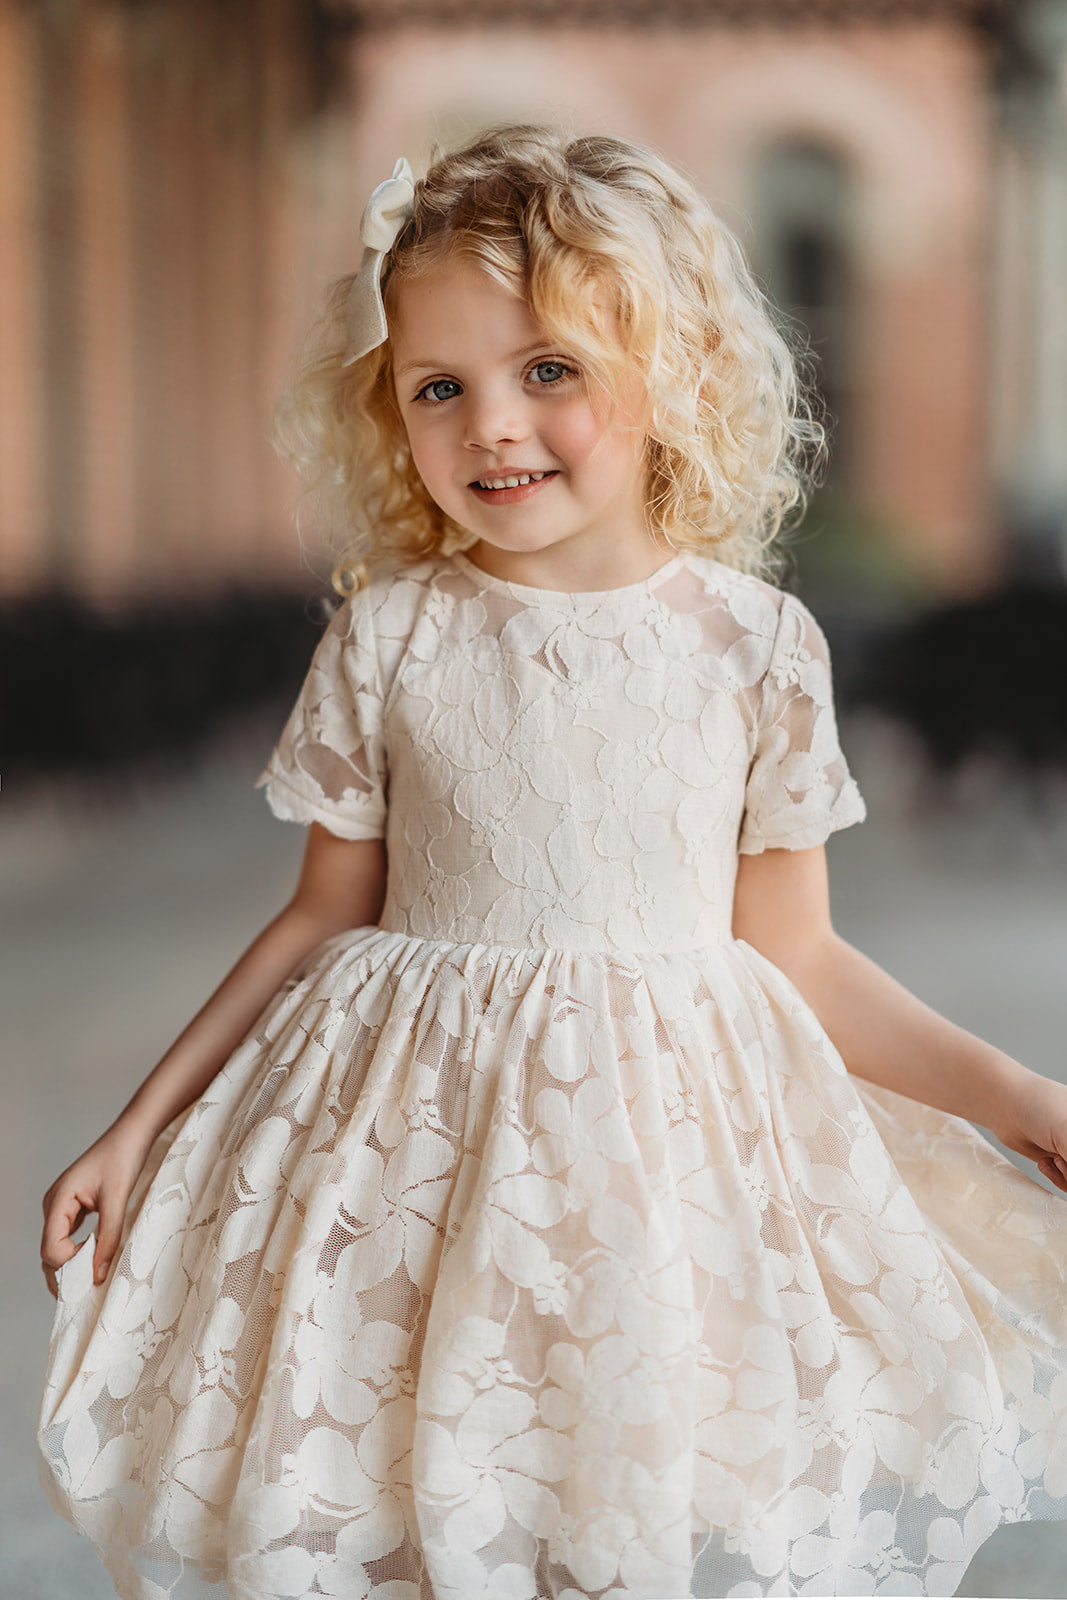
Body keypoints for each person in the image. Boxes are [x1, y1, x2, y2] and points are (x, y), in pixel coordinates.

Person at [38, 125, 1067, 1600]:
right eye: (438, 389)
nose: (492, 429)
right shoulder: (391, 636)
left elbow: (804, 957)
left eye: (550, 373)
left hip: (654, 1176)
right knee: (424, 1496)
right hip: (409, 1155)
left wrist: (1021, 1094)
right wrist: (142, 1127)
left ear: (672, 374)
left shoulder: (756, 649)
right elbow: (323, 914)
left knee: (613, 1508)